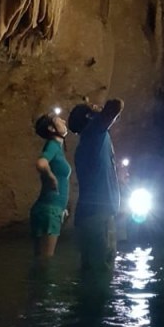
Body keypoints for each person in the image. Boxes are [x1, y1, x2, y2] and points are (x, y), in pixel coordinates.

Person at [67, 98, 123, 272]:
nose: (97, 107)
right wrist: (98, 111)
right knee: (101, 274)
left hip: (90, 218)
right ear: (89, 117)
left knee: (91, 273)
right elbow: (116, 104)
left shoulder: (88, 142)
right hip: (98, 218)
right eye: (93, 108)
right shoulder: (94, 132)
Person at [30, 111, 71, 258]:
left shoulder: (56, 148)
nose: (64, 122)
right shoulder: (53, 145)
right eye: (59, 120)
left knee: (39, 259)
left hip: (48, 209)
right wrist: (51, 177)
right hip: (50, 211)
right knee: (46, 262)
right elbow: (41, 163)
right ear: (51, 128)